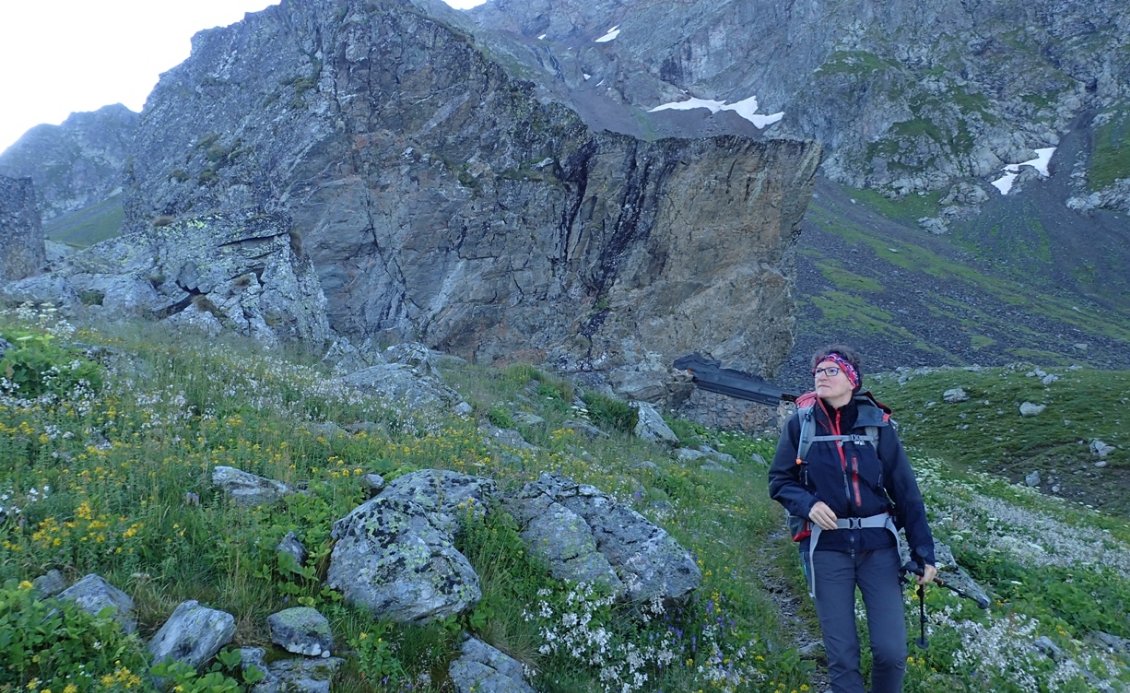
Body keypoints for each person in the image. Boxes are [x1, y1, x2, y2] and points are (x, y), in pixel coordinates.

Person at [768, 345, 936, 693]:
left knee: (891, 652)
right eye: (818, 371)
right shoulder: (800, 424)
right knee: (842, 657)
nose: (821, 376)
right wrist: (808, 504)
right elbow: (779, 481)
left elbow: (906, 492)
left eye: (831, 371)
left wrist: (924, 553)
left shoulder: (878, 426)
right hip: (827, 549)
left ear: (852, 380)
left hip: (878, 550)